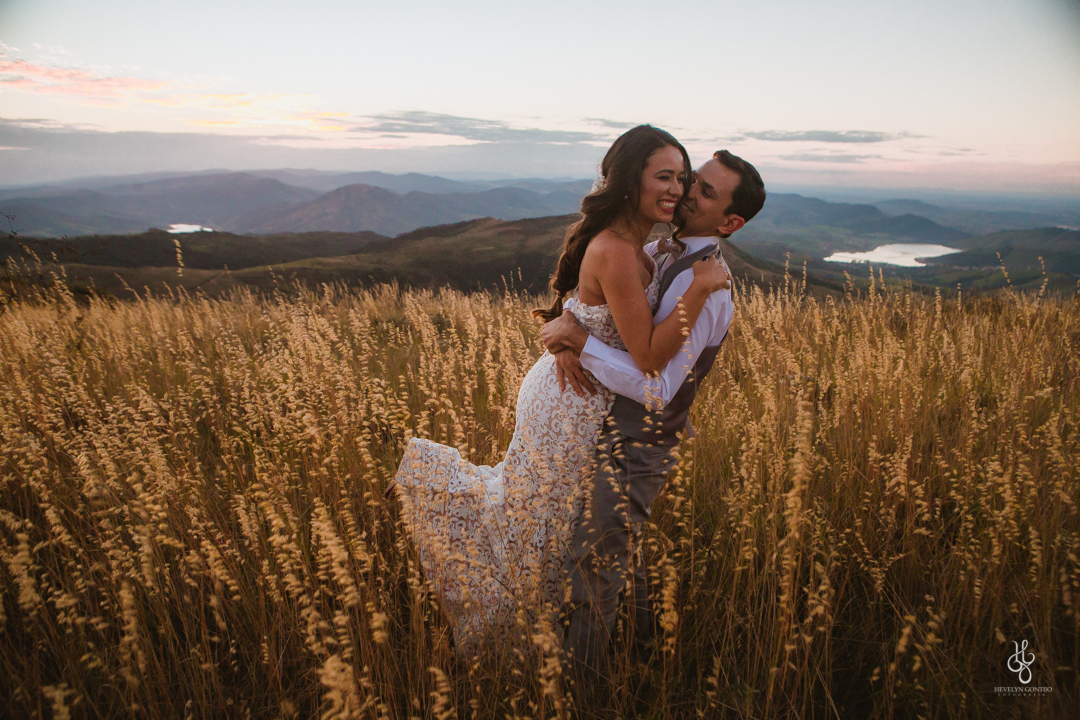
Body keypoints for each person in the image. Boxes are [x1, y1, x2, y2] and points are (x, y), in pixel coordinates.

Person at [390, 126, 731, 655]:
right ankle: (427, 481)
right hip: (572, 406)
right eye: (664, 176)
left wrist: (570, 336)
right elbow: (644, 356)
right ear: (627, 180)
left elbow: (589, 312)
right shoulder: (619, 251)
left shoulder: (641, 247)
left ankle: (563, 647)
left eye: (683, 178)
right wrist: (701, 290)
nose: (677, 189)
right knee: (533, 525)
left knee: (539, 521)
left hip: (575, 393)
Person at [540, 150, 766, 689]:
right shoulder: (659, 250)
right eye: (693, 180)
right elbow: (615, 314)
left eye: (706, 193)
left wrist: (583, 344)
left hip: (639, 443)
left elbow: (658, 387)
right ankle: (644, 655)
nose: (688, 192)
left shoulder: (710, 289)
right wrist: (572, 326)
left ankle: (578, 694)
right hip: (606, 427)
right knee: (615, 550)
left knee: (595, 569)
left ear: (730, 223)